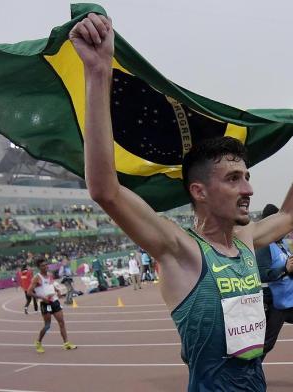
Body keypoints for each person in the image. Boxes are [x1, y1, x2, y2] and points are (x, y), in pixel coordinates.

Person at [69, 14, 293, 391]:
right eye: (233, 179)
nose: (249, 191)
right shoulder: (180, 251)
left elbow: (289, 214)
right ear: (199, 191)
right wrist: (97, 72)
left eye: (248, 178)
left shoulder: (246, 240)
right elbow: (105, 189)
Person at [256, 204, 293, 358]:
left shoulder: (281, 243)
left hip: (289, 300)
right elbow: (262, 274)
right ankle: (245, 372)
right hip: (275, 302)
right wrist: (285, 269)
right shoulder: (263, 245)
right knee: (266, 344)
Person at [27, 258, 77, 353]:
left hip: (54, 301)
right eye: (43, 265)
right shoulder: (36, 278)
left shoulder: (49, 275)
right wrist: (42, 297)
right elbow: (29, 292)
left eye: (46, 265)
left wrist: (57, 290)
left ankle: (66, 343)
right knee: (47, 325)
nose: (45, 267)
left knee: (61, 322)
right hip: (46, 304)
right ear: (39, 267)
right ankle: (38, 342)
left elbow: (51, 284)